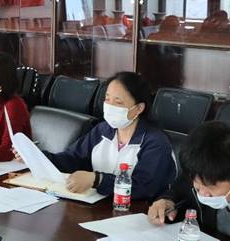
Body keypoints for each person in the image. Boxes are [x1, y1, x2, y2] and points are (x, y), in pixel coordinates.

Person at [40, 72, 176, 199]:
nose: (110, 106)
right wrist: (38, 157)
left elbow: (144, 187)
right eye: (107, 99)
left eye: (118, 102)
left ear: (139, 108)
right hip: (98, 204)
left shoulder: (156, 142)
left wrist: (98, 180)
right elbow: (72, 159)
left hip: (136, 210)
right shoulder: (103, 130)